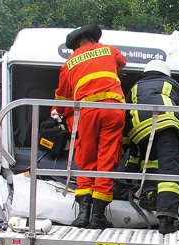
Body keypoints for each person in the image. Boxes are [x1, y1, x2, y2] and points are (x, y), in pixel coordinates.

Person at [53, 24, 126, 229]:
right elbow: (123, 62)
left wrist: (58, 112)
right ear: (94, 40)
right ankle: (98, 217)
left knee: (86, 160)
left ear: (75, 46)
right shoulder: (108, 50)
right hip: (113, 110)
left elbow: (61, 101)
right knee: (107, 160)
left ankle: (83, 215)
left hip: (86, 113)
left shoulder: (68, 64)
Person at [125, 59, 179, 234]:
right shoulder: (171, 84)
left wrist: (126, 142)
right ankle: (166, 221)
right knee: (169, 171)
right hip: (166, 125)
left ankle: (149, 198)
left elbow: (126, 114)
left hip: (140, 131)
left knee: (150, 164)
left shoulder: (135, 87)